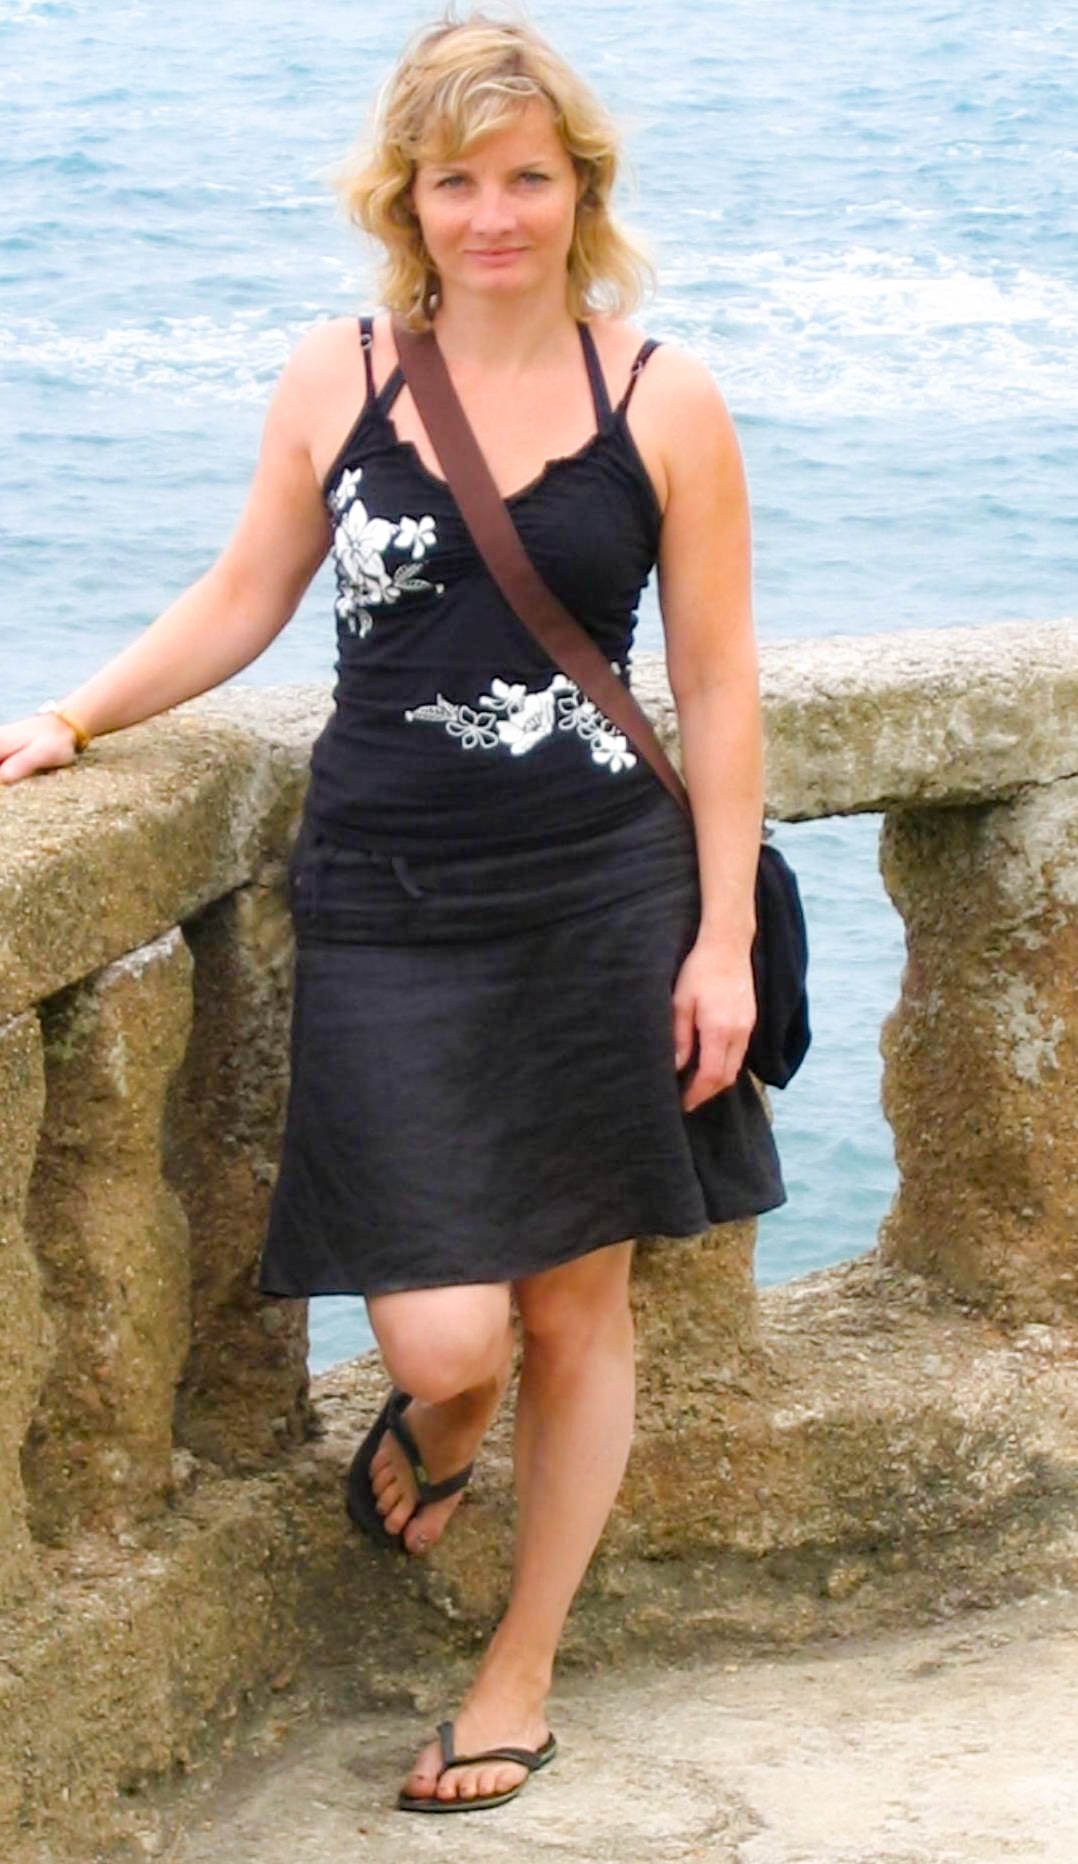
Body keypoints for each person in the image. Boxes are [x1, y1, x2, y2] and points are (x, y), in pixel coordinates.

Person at [0, 9, 785, 1816]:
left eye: (526, 178)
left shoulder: (659, 397)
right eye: (455, 182)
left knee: (575, 1315)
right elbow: (245, 593)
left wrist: (722, 939)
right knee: (444, 1334)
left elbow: (718, 685)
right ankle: (445, 1415)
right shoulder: (335, 374)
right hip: (390, 899)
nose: (492, 215)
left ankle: (519, 1671)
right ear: (406, 200)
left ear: (578, 190)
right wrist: (77, 715)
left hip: (600, 898)